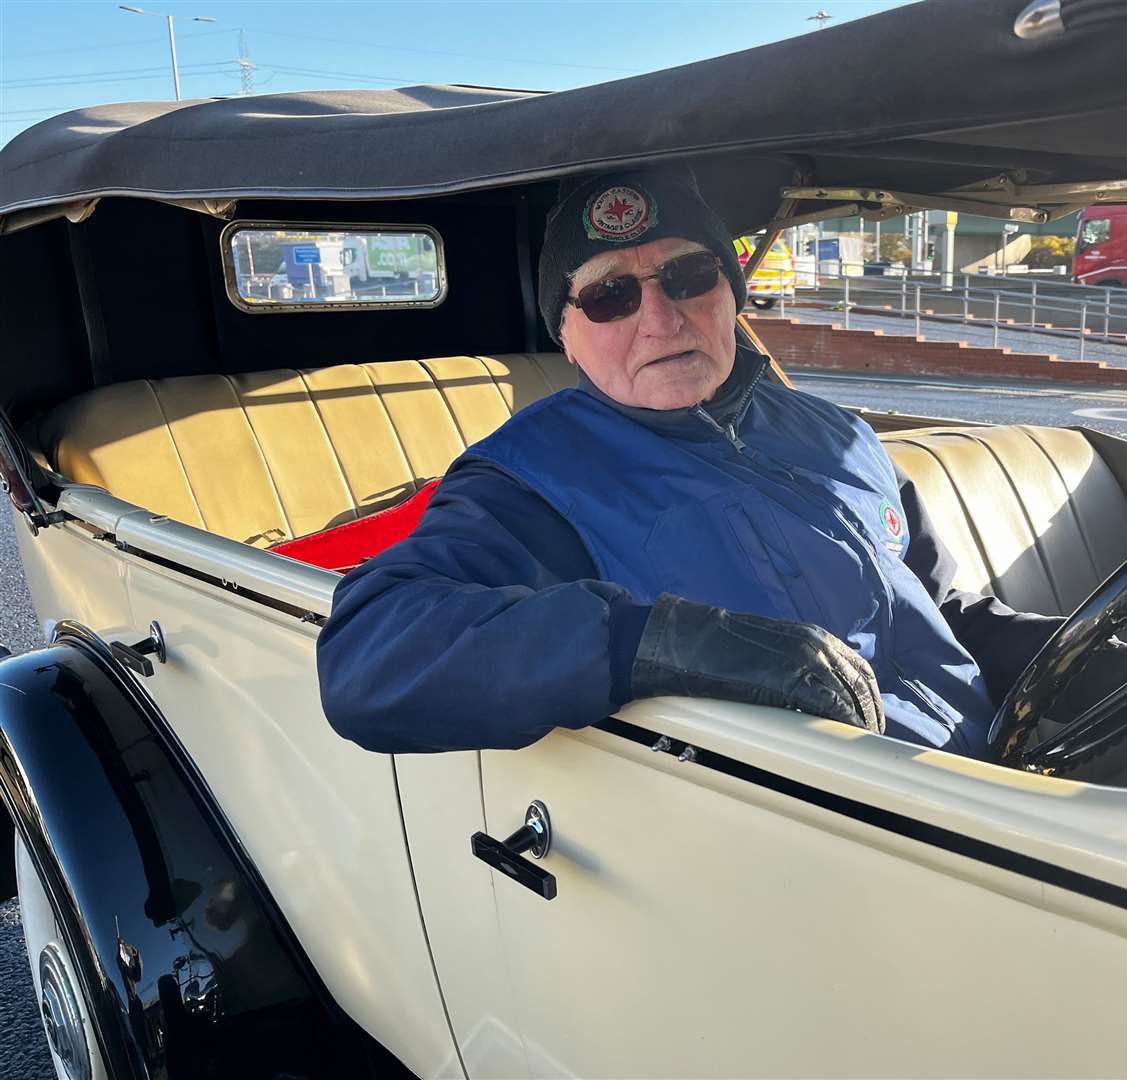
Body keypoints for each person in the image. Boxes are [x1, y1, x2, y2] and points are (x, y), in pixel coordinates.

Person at [316, 168, 1079, 760]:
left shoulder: (839, 434)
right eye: (611, 296)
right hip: (824, 843)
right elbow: (366, 658)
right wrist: (657, 645)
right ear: (568, 335)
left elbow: (938, 613)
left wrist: (1084, 650)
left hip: (997, 782)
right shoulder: (532, 482)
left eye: (687, 277)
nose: (660, 317)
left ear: (731, 294)